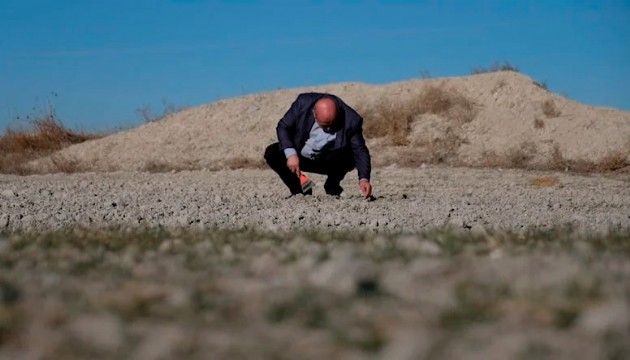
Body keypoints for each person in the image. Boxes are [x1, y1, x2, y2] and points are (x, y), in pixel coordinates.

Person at [264, 92, 373, 198]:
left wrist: (364, 179)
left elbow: (360, 150)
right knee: (272, 153)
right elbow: (284, 127)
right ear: (313, 113)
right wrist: (291, 154)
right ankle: (301, 190)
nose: (328, 129)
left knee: (350, 157)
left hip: (327, 160)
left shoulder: (352, 120)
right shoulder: (303, 103)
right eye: (324, 126)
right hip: (299, 155)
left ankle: (332, 186)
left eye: (331, 125)